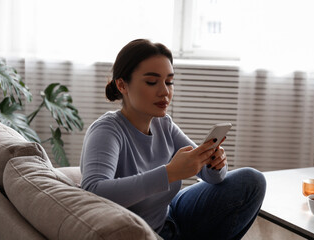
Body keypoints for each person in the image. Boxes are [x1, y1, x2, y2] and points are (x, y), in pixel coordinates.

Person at [80, 39, 266, 240]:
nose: (165, 91)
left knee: (251, 180)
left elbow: (211, 177)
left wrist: (215, 163)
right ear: (122, 85)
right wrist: (169, 173)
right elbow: (94, 190)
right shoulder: (107, 131)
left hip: (171, 215)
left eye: (169, 82)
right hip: (148, 232)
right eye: (152, 82)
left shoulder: (164, 124)